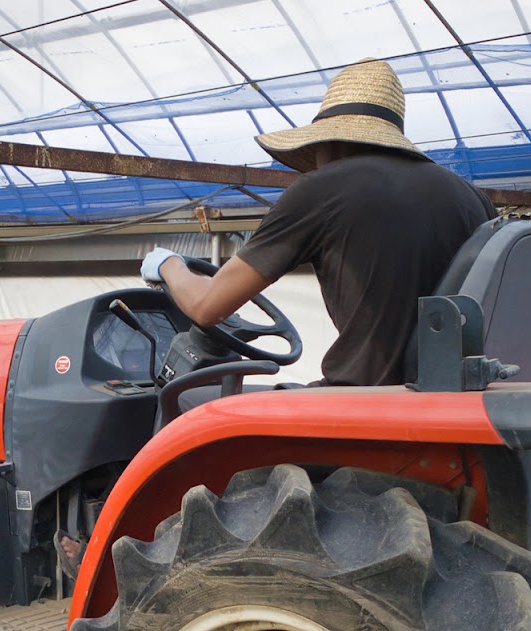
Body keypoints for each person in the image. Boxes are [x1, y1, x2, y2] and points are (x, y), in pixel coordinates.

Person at [142, 58, 495, 390]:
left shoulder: (324, 189)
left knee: (193, 402)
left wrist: (169, 265)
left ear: (330, 141)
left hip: (367, 400)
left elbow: (207, 306)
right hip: (452, 395)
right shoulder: (471, 197)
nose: (314, 164)